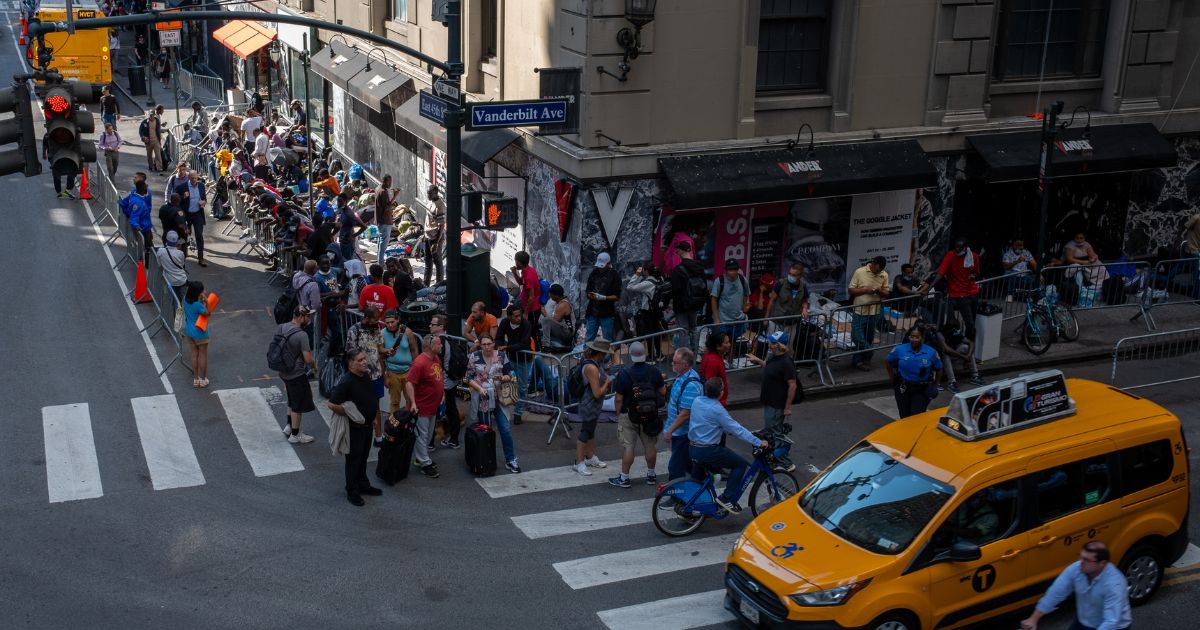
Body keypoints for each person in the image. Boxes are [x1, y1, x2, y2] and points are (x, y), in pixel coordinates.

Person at [687, 378, 769, 513]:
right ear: (720, 393)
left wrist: (725, 430)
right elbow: (737, 429)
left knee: (699, 480)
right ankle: (727, 498)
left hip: (693, 448)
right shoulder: (718, 409)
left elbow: (708, 423)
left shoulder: (697, 401)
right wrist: (759, 442)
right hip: (708, 450)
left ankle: (693, 506)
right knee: (739, 464)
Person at [1020, 541, 1132, 630]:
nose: (1080, 562)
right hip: (1084, 620)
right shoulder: (1077, 569)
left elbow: (1110, 622)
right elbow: (1055, 592)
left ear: (1102, 563)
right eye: (1080, 556)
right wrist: (1033, 619)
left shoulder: (1114, 584)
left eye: (1086, 559)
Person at [327, 350, 384, 507]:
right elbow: (332, 404)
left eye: (364, 359)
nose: (364, 362)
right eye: (360, 360)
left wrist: (372, 418)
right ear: (351, 363)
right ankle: (352, 491)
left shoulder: (364, 375)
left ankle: (363, 485)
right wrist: (348, 413)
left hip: (367, 427)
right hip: (354, 429)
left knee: (363, 457)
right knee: (354, 461)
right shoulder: (346, 382)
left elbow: (369, 398)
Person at [607, 341, 664, 488]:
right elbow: (662, 392)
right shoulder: (654, 371)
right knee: (650, 445)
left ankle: (624, 478)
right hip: (650, 415)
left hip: (629, 414)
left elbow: (619, 398)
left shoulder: (625, 373)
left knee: (629, 447)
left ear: (631, 355)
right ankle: (651, 475)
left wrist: (619, 413)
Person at [465, 333, 521, 473]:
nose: (486, 347)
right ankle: (486, 461)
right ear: (480, 345)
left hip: (500, 398)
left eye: (489, 343)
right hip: (483, 399)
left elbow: (511, 373)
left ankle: (511, 460)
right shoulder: (475, 356)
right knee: (486, 431)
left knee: (505, 429)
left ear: (493, 343)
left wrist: (503, 377)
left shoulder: (501, 355)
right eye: (483, 344)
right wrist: (479, 388)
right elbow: (468, 378)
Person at [404, 334, 445, 479]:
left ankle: (421, 457)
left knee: (427, 435)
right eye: (439, 344)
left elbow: (439, 376)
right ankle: (425, 463)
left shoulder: (436, 358)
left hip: (433, 406)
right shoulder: (419, 362)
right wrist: (413, 403)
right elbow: (409, 383)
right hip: (422, 407)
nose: (441, 346)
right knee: (422, 436)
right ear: (430, 346)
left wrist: (442, 394)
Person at [275, 305, 319, 444]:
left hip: (284, 371)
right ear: (301, 317)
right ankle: (295, 434)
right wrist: (314, 367)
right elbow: (308, 358)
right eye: (308, 316)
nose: (309, 319)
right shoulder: (302, 335)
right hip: (297, 374)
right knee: (298, 405)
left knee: (291, 399)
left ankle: (289, 426)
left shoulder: (282, 327)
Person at [345, 307, 386, 445]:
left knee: (376, 407)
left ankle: (378, 437)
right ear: (366, 318)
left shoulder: (377, 329)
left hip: (376, 374)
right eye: (375, 319)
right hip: (361, 376)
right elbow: (351, 354)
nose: (377, 322)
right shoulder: (354, 330)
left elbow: (380, 349)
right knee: (359, 405)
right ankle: (359, 435)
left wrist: (387, 351)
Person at [745, 330, 799, 435]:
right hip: (769, 400)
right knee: (769, 427)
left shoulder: (786, 362)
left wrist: (787, 408)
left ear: (780, 346)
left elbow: (792, 386)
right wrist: (758, 360)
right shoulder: (773, 356)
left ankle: (776, 449)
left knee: (774, 432)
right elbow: (770, 367)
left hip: (777, 404)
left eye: (772, 343)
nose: (769, 344)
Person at [574, 339, 614, 476]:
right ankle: (579, 462)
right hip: (590, 404)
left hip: (593, 404)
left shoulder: (594, 362)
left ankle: (590, 457)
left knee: (590, 431)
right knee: (585, 433)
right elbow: (597, 393)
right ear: (600, 353)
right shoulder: (592, 367)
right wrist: (607, 383)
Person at [929, 238, 981, 342]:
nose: (957, 250)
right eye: (956, 247)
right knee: (955, 322)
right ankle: (957, 342)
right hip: (957, 294)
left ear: (966, 248)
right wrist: (930, 287)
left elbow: (977, 272)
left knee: (971, 323)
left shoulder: (973, 256)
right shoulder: (950, 255)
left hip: (972, 293)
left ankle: (969, 344)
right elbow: (941, 273)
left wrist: (973, 275)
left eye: (960, 247)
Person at [662, 347, 702, 483]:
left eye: (675, 362)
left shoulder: (691, 385)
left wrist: (670, 430)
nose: (672, 364)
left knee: (675, 466)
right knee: (685, 462)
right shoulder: (682, 377)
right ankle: (704, 482)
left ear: (685, 365)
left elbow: (685, 414)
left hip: (683, 432)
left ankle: (675, 496)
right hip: (678, 430)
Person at [885, 326, 943, 418]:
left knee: (916, 416)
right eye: (912, 336)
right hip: (903, 388)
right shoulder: (900, 349)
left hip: (921, 389)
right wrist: (892, 378)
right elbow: (888, 361)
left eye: (917, 337)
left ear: (922, 338)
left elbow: (939, 369)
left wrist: (936, 385)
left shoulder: (931, 352)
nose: (914, 339)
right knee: (904, 415)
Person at [847, 256, 891, 371]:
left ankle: (859, 361)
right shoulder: (859, 272)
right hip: (859, 311)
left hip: (875, 311)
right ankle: (868, 351)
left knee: (869, 337)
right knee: (857, 336)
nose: (878, 272)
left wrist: (878, 290)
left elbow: (886, 293)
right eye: (877, 270)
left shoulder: (884, 275)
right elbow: (851, 290)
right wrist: (866, 290)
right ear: (873, 263)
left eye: (880, 270)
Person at [429, 314, 465, 450]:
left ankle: (431, 442)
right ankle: (454, 439)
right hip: (451, 381)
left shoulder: (439, 343)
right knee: (451, 409)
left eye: (433, 324)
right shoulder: (449, 339)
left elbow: (437, 366)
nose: (430, 326)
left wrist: (438, 386)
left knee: (434, 412)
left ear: (440, 327)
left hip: (442, 383)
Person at [495, 305, 533, 424]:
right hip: (510, 357)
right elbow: (498, 337)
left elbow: (524, 343)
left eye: (519, 315)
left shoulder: (526, 324)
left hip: (524, 359)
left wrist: (507, 347)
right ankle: (503, 408)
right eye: (516, 316)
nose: (519, 318)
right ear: (509, 316)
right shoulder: (505, 322)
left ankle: (518, 412)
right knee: (504, 382)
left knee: (522, 386)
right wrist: (499, 347)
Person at [536, 284, 574, 401]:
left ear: (554, 294)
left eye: (550, 293)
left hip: (567, 333)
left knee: (546, 321)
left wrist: (544, 314)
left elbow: (553, 321)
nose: (549, 295)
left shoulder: (562, 305)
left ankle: (546, 346)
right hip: (564, 331)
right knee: (545, 322)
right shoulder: (561, 302)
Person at [381, 310, 420, 421]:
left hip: (408, 371)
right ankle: (394, 424)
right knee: (394, 401)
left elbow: (414, 351)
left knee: (410, 399)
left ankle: (408, 422)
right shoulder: (382, 333)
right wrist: (385, 377)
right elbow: (380, 355)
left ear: (398, 320)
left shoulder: (407, 332)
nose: (390, 325)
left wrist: (415, 371)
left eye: (392, 322)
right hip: (392, 372)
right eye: (387, 323)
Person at [670, 241, 707, 351]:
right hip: (695, 303)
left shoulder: (678, 270)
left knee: (683, 330)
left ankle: (684, 357)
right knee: (693, 329)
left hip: (681, 305)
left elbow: (675, 289)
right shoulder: (699, 267)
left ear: (680, 251)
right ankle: (694, 355)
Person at [625, 264, 666, 360]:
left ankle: (651, 357)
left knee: (649, 333)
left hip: (648, 312)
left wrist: (637, 275)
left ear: (646, 271)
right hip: (657, 310)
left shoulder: (648, 283)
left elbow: (630, 286)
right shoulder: (660, 279)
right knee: (656, 332)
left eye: (643, 270)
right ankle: (659, 354)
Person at [584, 252, 622, 342]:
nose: (600, 268)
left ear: (608, 264)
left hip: (606, 313)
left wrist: (604, 297)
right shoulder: (594, 273)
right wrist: (590, 295)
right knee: (589, 337)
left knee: (607, 339)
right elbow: (588, 289)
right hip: (592, 311)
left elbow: (617, 296)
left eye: (603, 266)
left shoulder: (614, 275)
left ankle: (607, 356)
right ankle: (587, 355)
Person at [711, 259, 750, 340]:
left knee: (734, 343)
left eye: (735, 269)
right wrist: (716, 318)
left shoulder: (743, 280)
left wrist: (744, 308)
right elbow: (714, 299)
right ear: (726, 270)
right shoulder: (719, 281)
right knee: (721, 344)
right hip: (723, 321)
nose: (733, 272)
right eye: (730, 270)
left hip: (738, 320)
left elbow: (746, 294)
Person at [176, 170, 208, 267]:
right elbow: (175, 200)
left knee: (199, 235)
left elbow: (204, 198)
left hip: (198, 214)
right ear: (189, 178)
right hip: (187, 215)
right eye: (192, 178)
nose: (194, 180)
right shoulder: (182, 187)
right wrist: (183, 197)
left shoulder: (201, 186)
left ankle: (201, 257)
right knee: (184, 235)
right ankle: (183, 254)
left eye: (196, 178)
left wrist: (203, 202)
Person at [119, 173, 154, 259]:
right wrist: (130, 215)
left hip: (145, 225)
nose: (133, 179)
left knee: (149, 245)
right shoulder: (138, 202)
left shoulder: (134, 194)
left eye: (135, 177)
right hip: (144, 227)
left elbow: (123, 203)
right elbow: (134, 216)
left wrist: (129, 213)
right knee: (146, 247)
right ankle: (143, 262)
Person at [182, 281, 211, 388]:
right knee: (202, 355)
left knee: (194, 354)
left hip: (189, 331)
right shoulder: (198, 305)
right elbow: (207, 313)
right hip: (200, 332)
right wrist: (206, 302)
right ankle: (203, 380)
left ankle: (195, 379)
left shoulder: (185, 300)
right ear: (197, 293)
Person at [155, 230, 188, 301]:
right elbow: (181, 265)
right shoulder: (180, 253)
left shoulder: (160, 251)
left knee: (170, 302)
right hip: (181, 280)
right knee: (182, 301)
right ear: (176, 242)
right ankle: (180, 311)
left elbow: (159, 264)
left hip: (169, 281)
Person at [700, 330, 730, 406]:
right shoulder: (713, 361)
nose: (729, 345)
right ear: (718, 346)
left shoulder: (715, 357)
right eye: (726, 343)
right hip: (716, 403)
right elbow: (711, 386)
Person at [423, 185, 446, 286]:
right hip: (427, 236)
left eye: (430, 193)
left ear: (436, 193)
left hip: (435, 238)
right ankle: (425, 284)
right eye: (427, 193)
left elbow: (441, 226)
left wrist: (436, 242)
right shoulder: (430, 201)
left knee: (438, 263)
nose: (428, 195)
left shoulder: (440, 206)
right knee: (428, 262)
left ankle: (438, 285)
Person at [512, 250, 541, 326]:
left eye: (515, 261)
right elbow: (521, 283)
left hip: (532, 310)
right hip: (526, 306)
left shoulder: (529, 276)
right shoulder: (525, 271)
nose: (515, 263)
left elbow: (531, 297)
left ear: (519, 263)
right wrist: (515, 273)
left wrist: (526, 313)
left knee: (532, 331)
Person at [375, 174, 395, 263]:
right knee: (383, 244)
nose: (390, 184)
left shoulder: (378, 188)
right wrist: (395, 196)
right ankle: (380, 264)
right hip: (385, 221)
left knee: (380, 241)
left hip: (380, 220)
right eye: (389, 182)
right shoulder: (383, 192)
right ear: (385, 182)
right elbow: (387, 207)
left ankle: (379, 261)